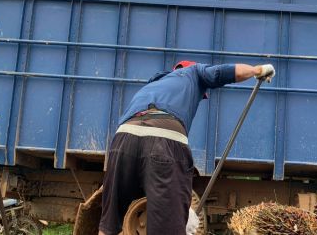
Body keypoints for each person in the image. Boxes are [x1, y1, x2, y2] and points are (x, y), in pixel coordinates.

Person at [98, 61, 275, 235]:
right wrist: (256, 70)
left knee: (109, 224)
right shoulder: (193, 72)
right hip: (164, 138)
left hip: (123, 137)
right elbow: (223, 72)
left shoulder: (154, 84)